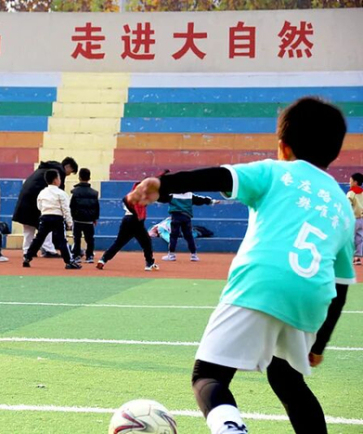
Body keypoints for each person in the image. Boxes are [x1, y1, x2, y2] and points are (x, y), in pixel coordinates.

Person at [126, 97, 356, 434]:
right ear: (334, 152)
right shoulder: (343, 205)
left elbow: (221, 176)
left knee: (208, 376)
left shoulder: (274, 171)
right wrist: (319, 345)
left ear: (283, 146)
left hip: (260, 284)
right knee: (287, 379)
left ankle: (230, 429)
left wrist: (164, 185)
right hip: (311, 299)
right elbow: (341, 287)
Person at [13, 157, 78, 258]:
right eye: (71, 171)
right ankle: (48, 249)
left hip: (25, 199)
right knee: (48, 225)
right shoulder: (57, 172)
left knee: (29, 227)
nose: (69, 174)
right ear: (68, 166)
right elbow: (57, 192)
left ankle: (27, 251)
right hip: (37, 201)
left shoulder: (44, 169)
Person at [23, 169, 80, 269]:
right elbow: (66, 209)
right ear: (55, 180)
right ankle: (69, 261)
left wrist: (45, 211)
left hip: (45, 217)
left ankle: (27, 258)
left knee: (38, 239)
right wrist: (69, 222)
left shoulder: (42, 193)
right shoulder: (61, 193)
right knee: (62, 241)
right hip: (57, 219)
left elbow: (39, 206)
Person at [97, 182, 158, 272]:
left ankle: (103, 259)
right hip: (136, 221)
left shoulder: (131, 195)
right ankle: (149, 263)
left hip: (126, 219)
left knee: (118, 243)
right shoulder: (140, 197)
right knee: (147, 242)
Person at [160, 189, 218, 262]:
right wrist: (212, 201)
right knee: (189, 236)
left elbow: (160, 198)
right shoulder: (190, 195)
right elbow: (201, 200)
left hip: (176, 217)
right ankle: (194, 255)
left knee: (173, 236)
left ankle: (171, 255)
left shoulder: (172, 194)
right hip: (186, 217)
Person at [69, 168, 99, 263]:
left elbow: (72, 206)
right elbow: (96, 207)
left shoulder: (75, 192)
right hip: (89, 220)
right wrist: (95, 218)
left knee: (77, 238)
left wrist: (73, 217)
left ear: (79, 178)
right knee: (90, 239)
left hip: (77, 219)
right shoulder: (94, 193)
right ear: (89, 178)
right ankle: (89, 256)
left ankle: (76, 255)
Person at [347, 172, 363, 265]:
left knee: (350, 238)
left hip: (353, 219)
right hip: (362, 220)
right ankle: (358, 258)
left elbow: (347, 205)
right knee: (360, 238)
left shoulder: (351, 193)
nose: (349, 182)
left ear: (355, 182)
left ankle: (349, 257)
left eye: (350, 181)